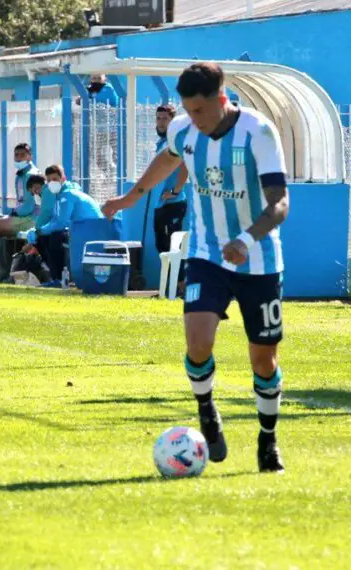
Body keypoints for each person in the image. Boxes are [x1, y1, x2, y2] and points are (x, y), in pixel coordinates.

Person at [102, 62, 289, 473]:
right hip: (207, 254)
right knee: (198, 343)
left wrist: (247, 238)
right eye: (188, 110)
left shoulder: (257, 132)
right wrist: (131, 197)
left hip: (258, 259)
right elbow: (167, 160)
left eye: (201, 110)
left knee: (263, 360)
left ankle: (267, 440)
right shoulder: (184, 130)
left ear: (221, 100)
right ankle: (207, 410)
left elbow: (279, 202)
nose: (195, 119)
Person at [25, 165, 102, 284]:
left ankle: (60, 279)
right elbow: (56, 220)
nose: (52, 183)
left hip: (91, 232)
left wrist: (39, 231)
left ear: (63, 179)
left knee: (55, 237)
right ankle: (56, 278)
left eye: (55, 179)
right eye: (49, 180)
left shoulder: (67, 195)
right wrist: (38, 231)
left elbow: (61, 223)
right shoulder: (61, 196)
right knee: (45, 237)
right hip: (84, 231)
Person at [0, 143, 40, 282]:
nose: (18, 158)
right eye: (16, 155)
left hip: (31, 219)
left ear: (30, 156)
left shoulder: (31, 175)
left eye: (23, 155)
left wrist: (12, 213)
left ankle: (0, 273)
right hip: (25, 217)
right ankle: (3, 272)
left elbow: (28, 207)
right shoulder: (22, 174)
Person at [153, 104, 189, 254]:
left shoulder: (176, 141)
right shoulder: (162, 142)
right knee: (162, 247)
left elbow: (184, 166)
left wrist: (175, 191)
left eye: (165, 119)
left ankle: (179, 278)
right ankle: (167, 278)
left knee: (175, 248)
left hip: (174, 202)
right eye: (158, 118)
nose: (161, 122)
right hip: (161, 202)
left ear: (173, 121)